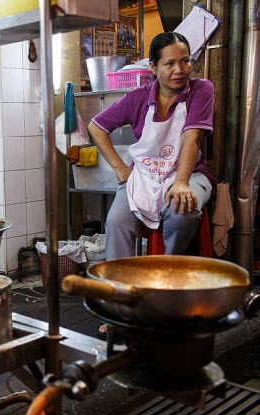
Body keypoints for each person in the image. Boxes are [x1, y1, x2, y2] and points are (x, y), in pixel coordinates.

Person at [88, 32, 214, 261]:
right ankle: (119, 288)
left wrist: (182, 183)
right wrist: (121, 170)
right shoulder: (137, 97)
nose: (179, 69)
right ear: (153, 67)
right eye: (170, 63)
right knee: (116, 222)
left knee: (183, 212)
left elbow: (192, 138)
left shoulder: (201, 90)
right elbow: (96, 127)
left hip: (190, 173)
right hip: (144, 175)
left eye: (185, 61)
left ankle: (165, 270)